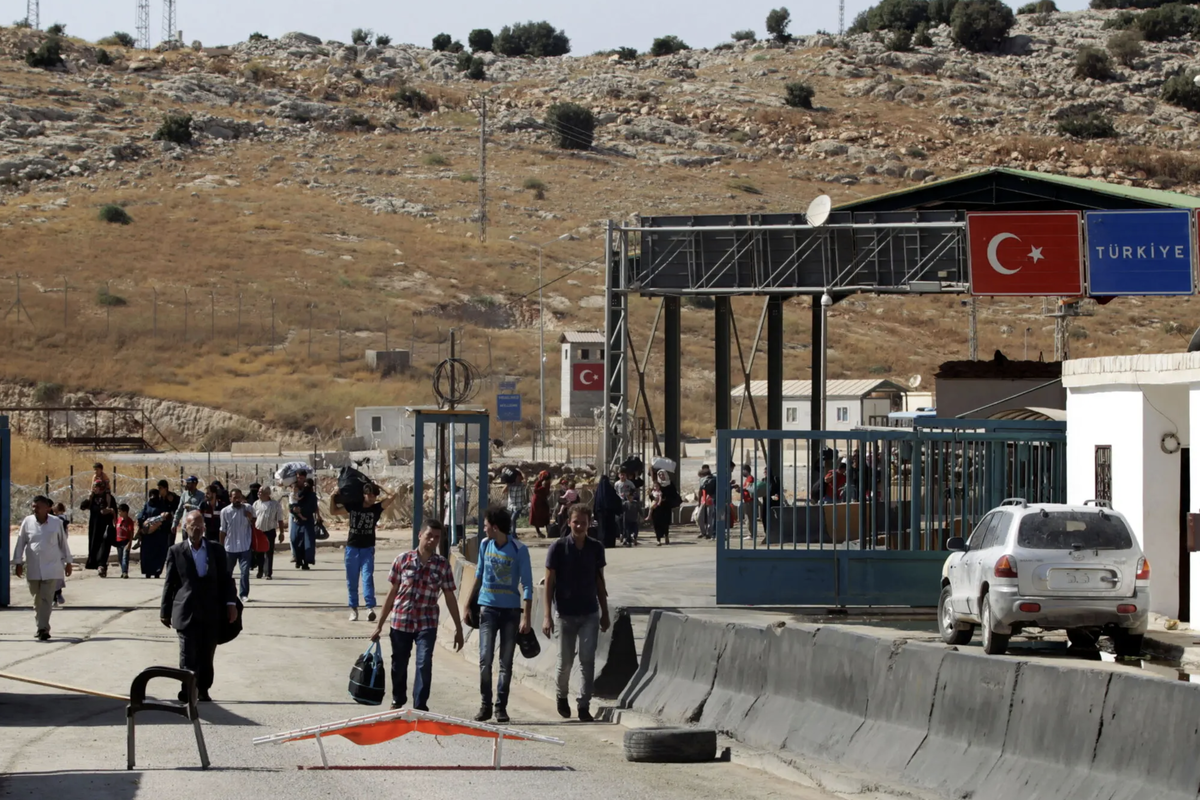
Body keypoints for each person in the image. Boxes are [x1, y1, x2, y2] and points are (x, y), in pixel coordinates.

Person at [371, 520, 464, 711]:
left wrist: (459, 628)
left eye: (436, 537)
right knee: (399, 664)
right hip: (401, 621)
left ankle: (420, 706)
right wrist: (379, 625)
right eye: (429, 536)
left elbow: (450, 597)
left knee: (424, 663)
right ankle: (398, 700)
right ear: (420, 535)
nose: (432, 540)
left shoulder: (442, 565)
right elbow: (392, 593)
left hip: (426, 623)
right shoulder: (402, 560)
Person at [161, 510, 238, 703]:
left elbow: (226, 579)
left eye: (199, 526)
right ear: (185, 528)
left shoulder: (216, 550)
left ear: (204, 527)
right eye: (192, 526)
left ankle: (203, 689)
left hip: (211, 611)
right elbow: (170, 583)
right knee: (187, 655)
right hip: (186, 610)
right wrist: (165, 611)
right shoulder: (176, 551)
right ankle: (187, 690)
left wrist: (231, 604)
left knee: (206, 654)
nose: (196, 530)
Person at [467, 506, 534, 724]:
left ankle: (500, 707)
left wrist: (526, 617)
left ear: (495, 527)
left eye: (486, 526)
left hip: (510, 613)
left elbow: (527, 585)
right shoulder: (485, 545)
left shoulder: (519, 549)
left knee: (506, 662)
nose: (484, 529)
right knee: (485, 659)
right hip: (487, 609)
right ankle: (485, 705)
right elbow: (478, 575)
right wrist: (467, 604)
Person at [543, 504, 610, 722]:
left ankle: (583, 705)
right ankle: (561, 695)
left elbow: (600, 582)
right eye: (575, 522)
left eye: (583, 523)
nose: (579, 526)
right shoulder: (558, 548)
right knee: (565, 663)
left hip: (590, 613)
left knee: (587, 661)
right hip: (565, 614)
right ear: (569, 522)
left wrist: (605, 612)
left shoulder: (596, 548)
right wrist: (547, 616)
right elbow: (549, 584)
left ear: (589, 524)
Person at [12, 495, 73, 641]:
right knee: (37, 599)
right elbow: (20, 543)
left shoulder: (56, 522)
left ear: (47, 508)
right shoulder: (27, 522)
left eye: (38, 506)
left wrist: (68, 562)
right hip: (33, 567)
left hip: (52, 567)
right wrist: (18, 563)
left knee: (46, 598)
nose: (35, 509)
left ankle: (43, 628)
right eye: (33, 506)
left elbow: (63, 543)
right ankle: (41, 625)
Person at [332, 483, 394, 622]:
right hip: (352, 548)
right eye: (369, 495)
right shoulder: (353, 506)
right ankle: (353, 608)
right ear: (363, 495)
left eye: (374, 496)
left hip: (367, 549)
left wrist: (378, 485)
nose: (372, 498)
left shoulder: (376, 508)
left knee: (367, 578)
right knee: (352, 580)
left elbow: (393, 495)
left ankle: (369, 608)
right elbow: (333, 511)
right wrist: (332, 497)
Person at [219, 488, 255, 602]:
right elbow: (223, 530)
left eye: (239, 497)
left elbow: (255, 524)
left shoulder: (248, 508)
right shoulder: (225, 511)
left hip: (245, 546)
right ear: (230, 498)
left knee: (245, 572)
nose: (237, 500)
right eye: (235, 497)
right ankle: (225, 594)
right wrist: (221, 547)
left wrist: (250, 517)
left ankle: (243, 594)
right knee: (227, 573)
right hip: (230, 547)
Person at [80, 481, 117, 577]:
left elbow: (111, 511)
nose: (94, 489)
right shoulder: (93, 498)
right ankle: (96, 565)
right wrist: (89, 497)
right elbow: (82, 506)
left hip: (105, 526)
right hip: (94, 526)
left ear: (101, 488)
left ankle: (102, 565)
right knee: (94, 546)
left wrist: (109, 512)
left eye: (96, 487)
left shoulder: (108, 498)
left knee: (104, 546)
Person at [138, 488, 173, 579]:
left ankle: (157, 571)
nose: (153, 497)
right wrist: (144, 525)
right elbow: (140, 516)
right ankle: (148, 572)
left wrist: (159, 525)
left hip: (159, 535)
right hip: (148, 536)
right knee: (147, 554)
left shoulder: (162, 506)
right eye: (151, 495)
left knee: (159, 553)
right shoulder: (147, 505)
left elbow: (167, 518)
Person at [253, 486, 285, 580]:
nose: (258, 493)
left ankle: (268, 573)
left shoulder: (275, 505)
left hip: (269, 531)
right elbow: (253, 517)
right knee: (259, 552)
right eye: (258, 492)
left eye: (261, 492)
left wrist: (282, 533)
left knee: (269, 552)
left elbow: (280, 519)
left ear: (267, 494)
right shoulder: (256, 504)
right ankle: (260, 570)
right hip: (258, 531)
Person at [289, 471, 318, 569]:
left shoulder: (310, 493)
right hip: (296, 520)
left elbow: (313, 507)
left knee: (307, 542)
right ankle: (298, 559)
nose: (299, 480)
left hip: (307, 520)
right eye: (298, 478)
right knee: (294, 540)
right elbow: (291, 505)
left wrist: (302, 510)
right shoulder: (294, 490)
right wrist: (294, 511)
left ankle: (306, 562)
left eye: (301, 478)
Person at [648, 470, 679, 546]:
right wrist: (652, 497)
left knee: (665, 523)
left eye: (662, 474)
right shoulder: (656, 484)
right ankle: (658, 539)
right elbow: (652, 495)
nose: (661, 476)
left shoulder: (670, 484)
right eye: (660, 475)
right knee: (656, 523)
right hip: (656, 507)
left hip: (666, 507)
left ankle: (666, 535)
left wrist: (665, 499)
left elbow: (674, 495)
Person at [592, 474, 622, 549]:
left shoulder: (598, 491)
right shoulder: (610, 490)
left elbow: (596, 503)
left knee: (602, 528)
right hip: (610, 513)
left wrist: (595, 513)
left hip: (601, 513)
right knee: (610, 528)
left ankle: (602, 542)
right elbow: (617, 500)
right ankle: (610, 542)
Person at [172, 475, 206, 543]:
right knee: (185, 545)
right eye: (187, 483)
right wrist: (174, 523)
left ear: (195, 484)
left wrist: (190, 507)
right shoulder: (184, 495)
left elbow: (201, 509)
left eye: (189, 483)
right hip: (185, 526)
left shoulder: (201, 495)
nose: (187, 485)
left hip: (196, 527)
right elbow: (179, 510)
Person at [51, 502, 71, 606]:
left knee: (55, 575)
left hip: (58, 548)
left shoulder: (58, 521)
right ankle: (57, 594)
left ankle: (56, 595)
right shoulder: (63, 519)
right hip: (59, 549)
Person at [614, 468, 639, 546]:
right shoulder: (617, 484)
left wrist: (630, 495)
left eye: (624, 475)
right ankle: (622, 533)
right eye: (621, 475)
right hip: (620, 502)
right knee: (620, 519)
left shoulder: (629, 483)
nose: (622, 476)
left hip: (628, 502)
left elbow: (634, 491)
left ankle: (627, 536)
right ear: (619, 475)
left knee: (627, 520)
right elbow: (615, 492)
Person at [504, 467, 528, 535]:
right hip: (510, 506)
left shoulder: (522, 485)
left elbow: (525, 479)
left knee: (513, 519)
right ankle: (510, 533)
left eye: (518, 477)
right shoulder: (510, 485)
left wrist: (520, 471)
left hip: (518, 507)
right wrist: (507, 484)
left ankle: (513, 534)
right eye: (516, 477)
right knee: (510, 520)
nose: (517, 479)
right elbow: (503, 491)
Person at [442, 479, 466, 544]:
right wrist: (444, 520)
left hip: (457, 522)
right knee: (447, 541)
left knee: (459, 541)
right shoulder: (448, 494)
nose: (448, 488)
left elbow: (465, 506)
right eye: (447, 487)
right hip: (448, 522)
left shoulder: (462, 493)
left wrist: (464, 518)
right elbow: (446, 507)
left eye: (449, 486)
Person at [114, 503, 135, 578]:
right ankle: (123, 570)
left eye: (120, 511)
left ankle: (125, 572)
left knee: (125, 557)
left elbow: (131, 533)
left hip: (126, 541)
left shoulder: (129, 521)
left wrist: (130, 543)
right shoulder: (118, 520)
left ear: (125, 512)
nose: (119, 513)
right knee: (120, 558)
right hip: (118, 541)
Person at [529, 471, 552, 538]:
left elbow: (536, 490)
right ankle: (539, 532)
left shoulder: (545, 483)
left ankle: (547, 532)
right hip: (538, 501)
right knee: (537, 517)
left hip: (541, 501)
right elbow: (536, 490)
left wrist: (541, 482)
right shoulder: (544, 483)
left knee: (545, 517)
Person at [697, 465, 717, 540]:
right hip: (703, 500)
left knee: (710, 517)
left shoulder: (712, 480)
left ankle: (709, 533)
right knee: (699, 517)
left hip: (710, 500)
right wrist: (699, 501)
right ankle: (703, 532)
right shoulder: (702, 481)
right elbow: (700, 491)